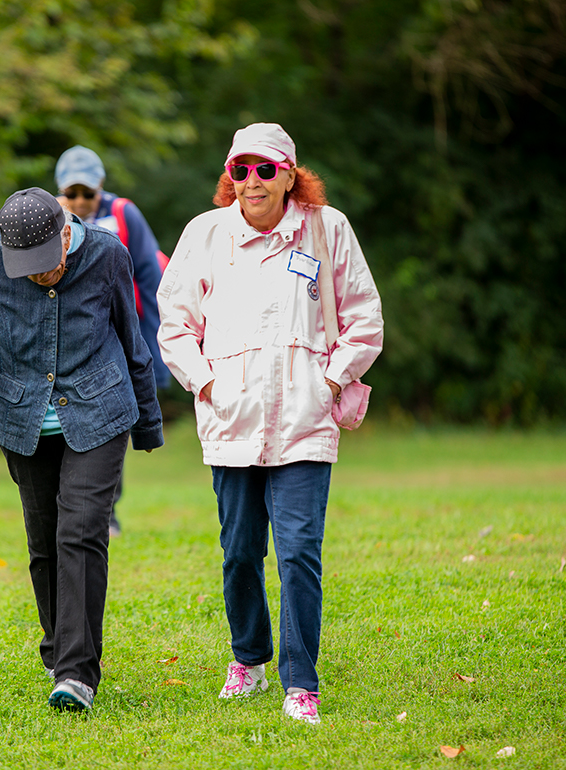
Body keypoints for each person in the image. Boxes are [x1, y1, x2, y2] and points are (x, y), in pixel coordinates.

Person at [156, 123, 383, 724]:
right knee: (239, 552)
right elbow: (174, 324)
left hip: (304, 422)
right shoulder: (205, 234)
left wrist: (329, 382)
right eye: (240, 169)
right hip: (230, 423)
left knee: (299, 553)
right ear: (229, 176)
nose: (251, 181)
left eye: (265, 169)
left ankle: (300, 684)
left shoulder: (327, 229)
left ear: (289, 176)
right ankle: (248, 659)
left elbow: (364, 317)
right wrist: (207, 385)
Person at [0, 187, 163, 712]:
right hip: (24, 418)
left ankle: (77, 674)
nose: (40, 276)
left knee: (80, 533)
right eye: (28, 268)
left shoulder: (107, 253)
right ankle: (60, 653)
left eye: (46, 263)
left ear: (65, 233)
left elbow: (132, 338)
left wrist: (148, 424)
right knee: (44, 542)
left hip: (99, 411)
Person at [55, 145, 169, 535]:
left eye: (88, 193)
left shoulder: (124, 214)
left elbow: (150, 279)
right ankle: (70, 509)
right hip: (70, 342)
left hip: (117, 336)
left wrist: (153, 352)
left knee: (108, 422)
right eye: (71, 193)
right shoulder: (48, 217)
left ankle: (107, 512)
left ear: (101, 187)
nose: (80, 201)